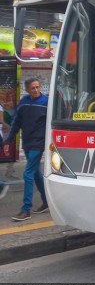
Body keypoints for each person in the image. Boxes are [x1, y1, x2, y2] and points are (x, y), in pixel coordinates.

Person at [3, 78, 49, 221]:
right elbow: (16, 122)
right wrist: (8, 140)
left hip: (38, 143)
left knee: (28, 174)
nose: (36, 90)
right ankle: (47, 202)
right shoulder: (23, 103)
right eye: (33, 88)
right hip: (27, 143)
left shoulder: (46, 102)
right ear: (27, 90)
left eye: (37, 87)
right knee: (36, 174)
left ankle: (26, 209)